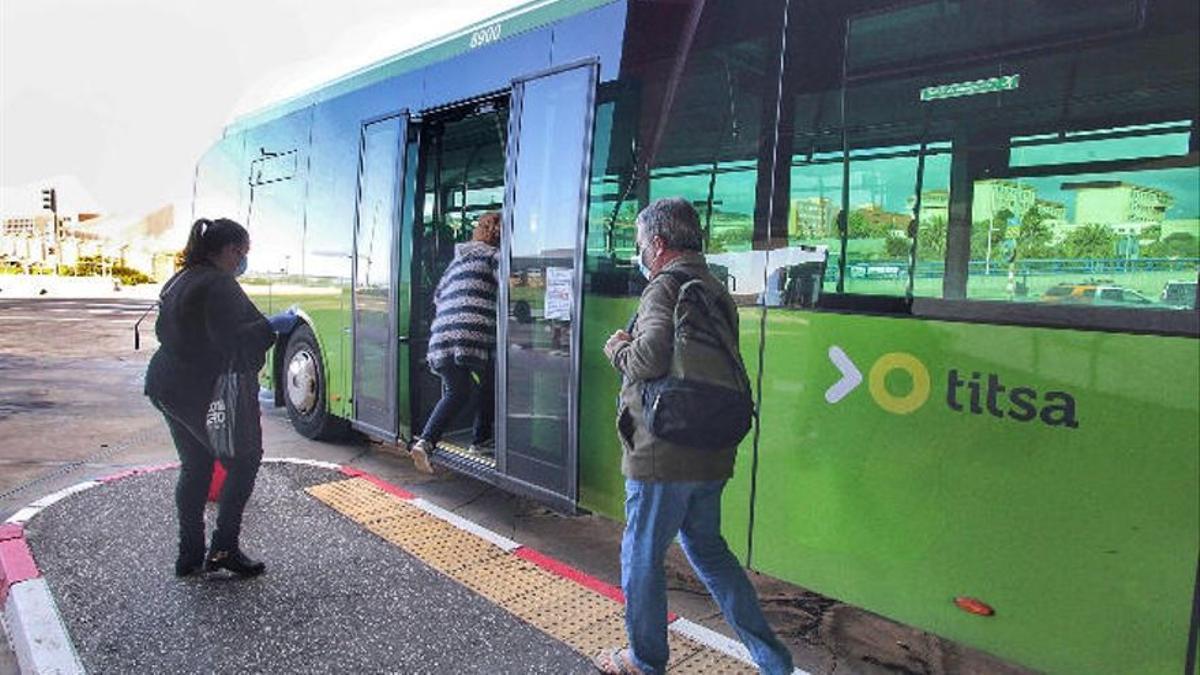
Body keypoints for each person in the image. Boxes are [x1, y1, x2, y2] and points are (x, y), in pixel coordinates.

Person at [597, 198, 793, 675]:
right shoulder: (715, 288)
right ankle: (774, 662)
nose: (641, 254)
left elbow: (648, 360)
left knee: (641, 551)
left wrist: (619, 348)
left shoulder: (663, 286)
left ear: (658, 244)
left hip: (665, 448)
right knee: (707, 549)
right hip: (712, 446)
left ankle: (644, 660)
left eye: (642, 245)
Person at [144, 218, 276, 578]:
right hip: (196, 388)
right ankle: (223, 549)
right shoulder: (219, 284)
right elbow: (231, 341)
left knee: (197, 464)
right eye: (241, 252)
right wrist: (274, 326)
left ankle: (189, 555)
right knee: (243, 460)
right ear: (228, 249)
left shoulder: (182, 277)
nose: (242, 260)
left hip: (164, 383)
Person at [410, 212, 501, 473]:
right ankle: (481, 440)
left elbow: (438, 296)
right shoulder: (493, 257)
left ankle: (426, 442)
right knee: (490, 383)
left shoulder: (456, 261)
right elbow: (514, 288)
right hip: (471, 333)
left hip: (441, 334)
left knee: (457, 391)